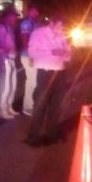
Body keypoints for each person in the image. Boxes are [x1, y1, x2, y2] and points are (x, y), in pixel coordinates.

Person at [26, 15, 72, 145]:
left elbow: (68, 51)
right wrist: (52, 52)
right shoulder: (38, 33)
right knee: (41, 104)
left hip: (60, 72)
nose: (62, 29)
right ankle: (33, 136)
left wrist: (67, 54)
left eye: (64, 27)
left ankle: (51, 133)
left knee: (56, 105)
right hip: (45, 72)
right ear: (52, 23)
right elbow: (32, 52)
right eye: (60, 26)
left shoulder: (62, 34)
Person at [0, 7, 20, 120]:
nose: (15, 17)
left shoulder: (9, 27)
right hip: (4, 59)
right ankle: (1, 110)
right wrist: (5, 54)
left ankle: (8, 107)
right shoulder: (1, 28)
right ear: (8, 16)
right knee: (5, 87)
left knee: (12, 85)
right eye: (14, 15)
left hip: (11, 59)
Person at [17, 5, 40, 115]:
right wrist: (31, 54)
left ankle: (28, 105)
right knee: (31, 82)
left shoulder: (34, 23)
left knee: (32, 82)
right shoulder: (27, 23)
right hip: (28, 56)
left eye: (37, 12)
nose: (36, 14)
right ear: (29, 11)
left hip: (32, 56)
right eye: (34, 11)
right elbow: (25, 40)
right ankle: (27, 107)